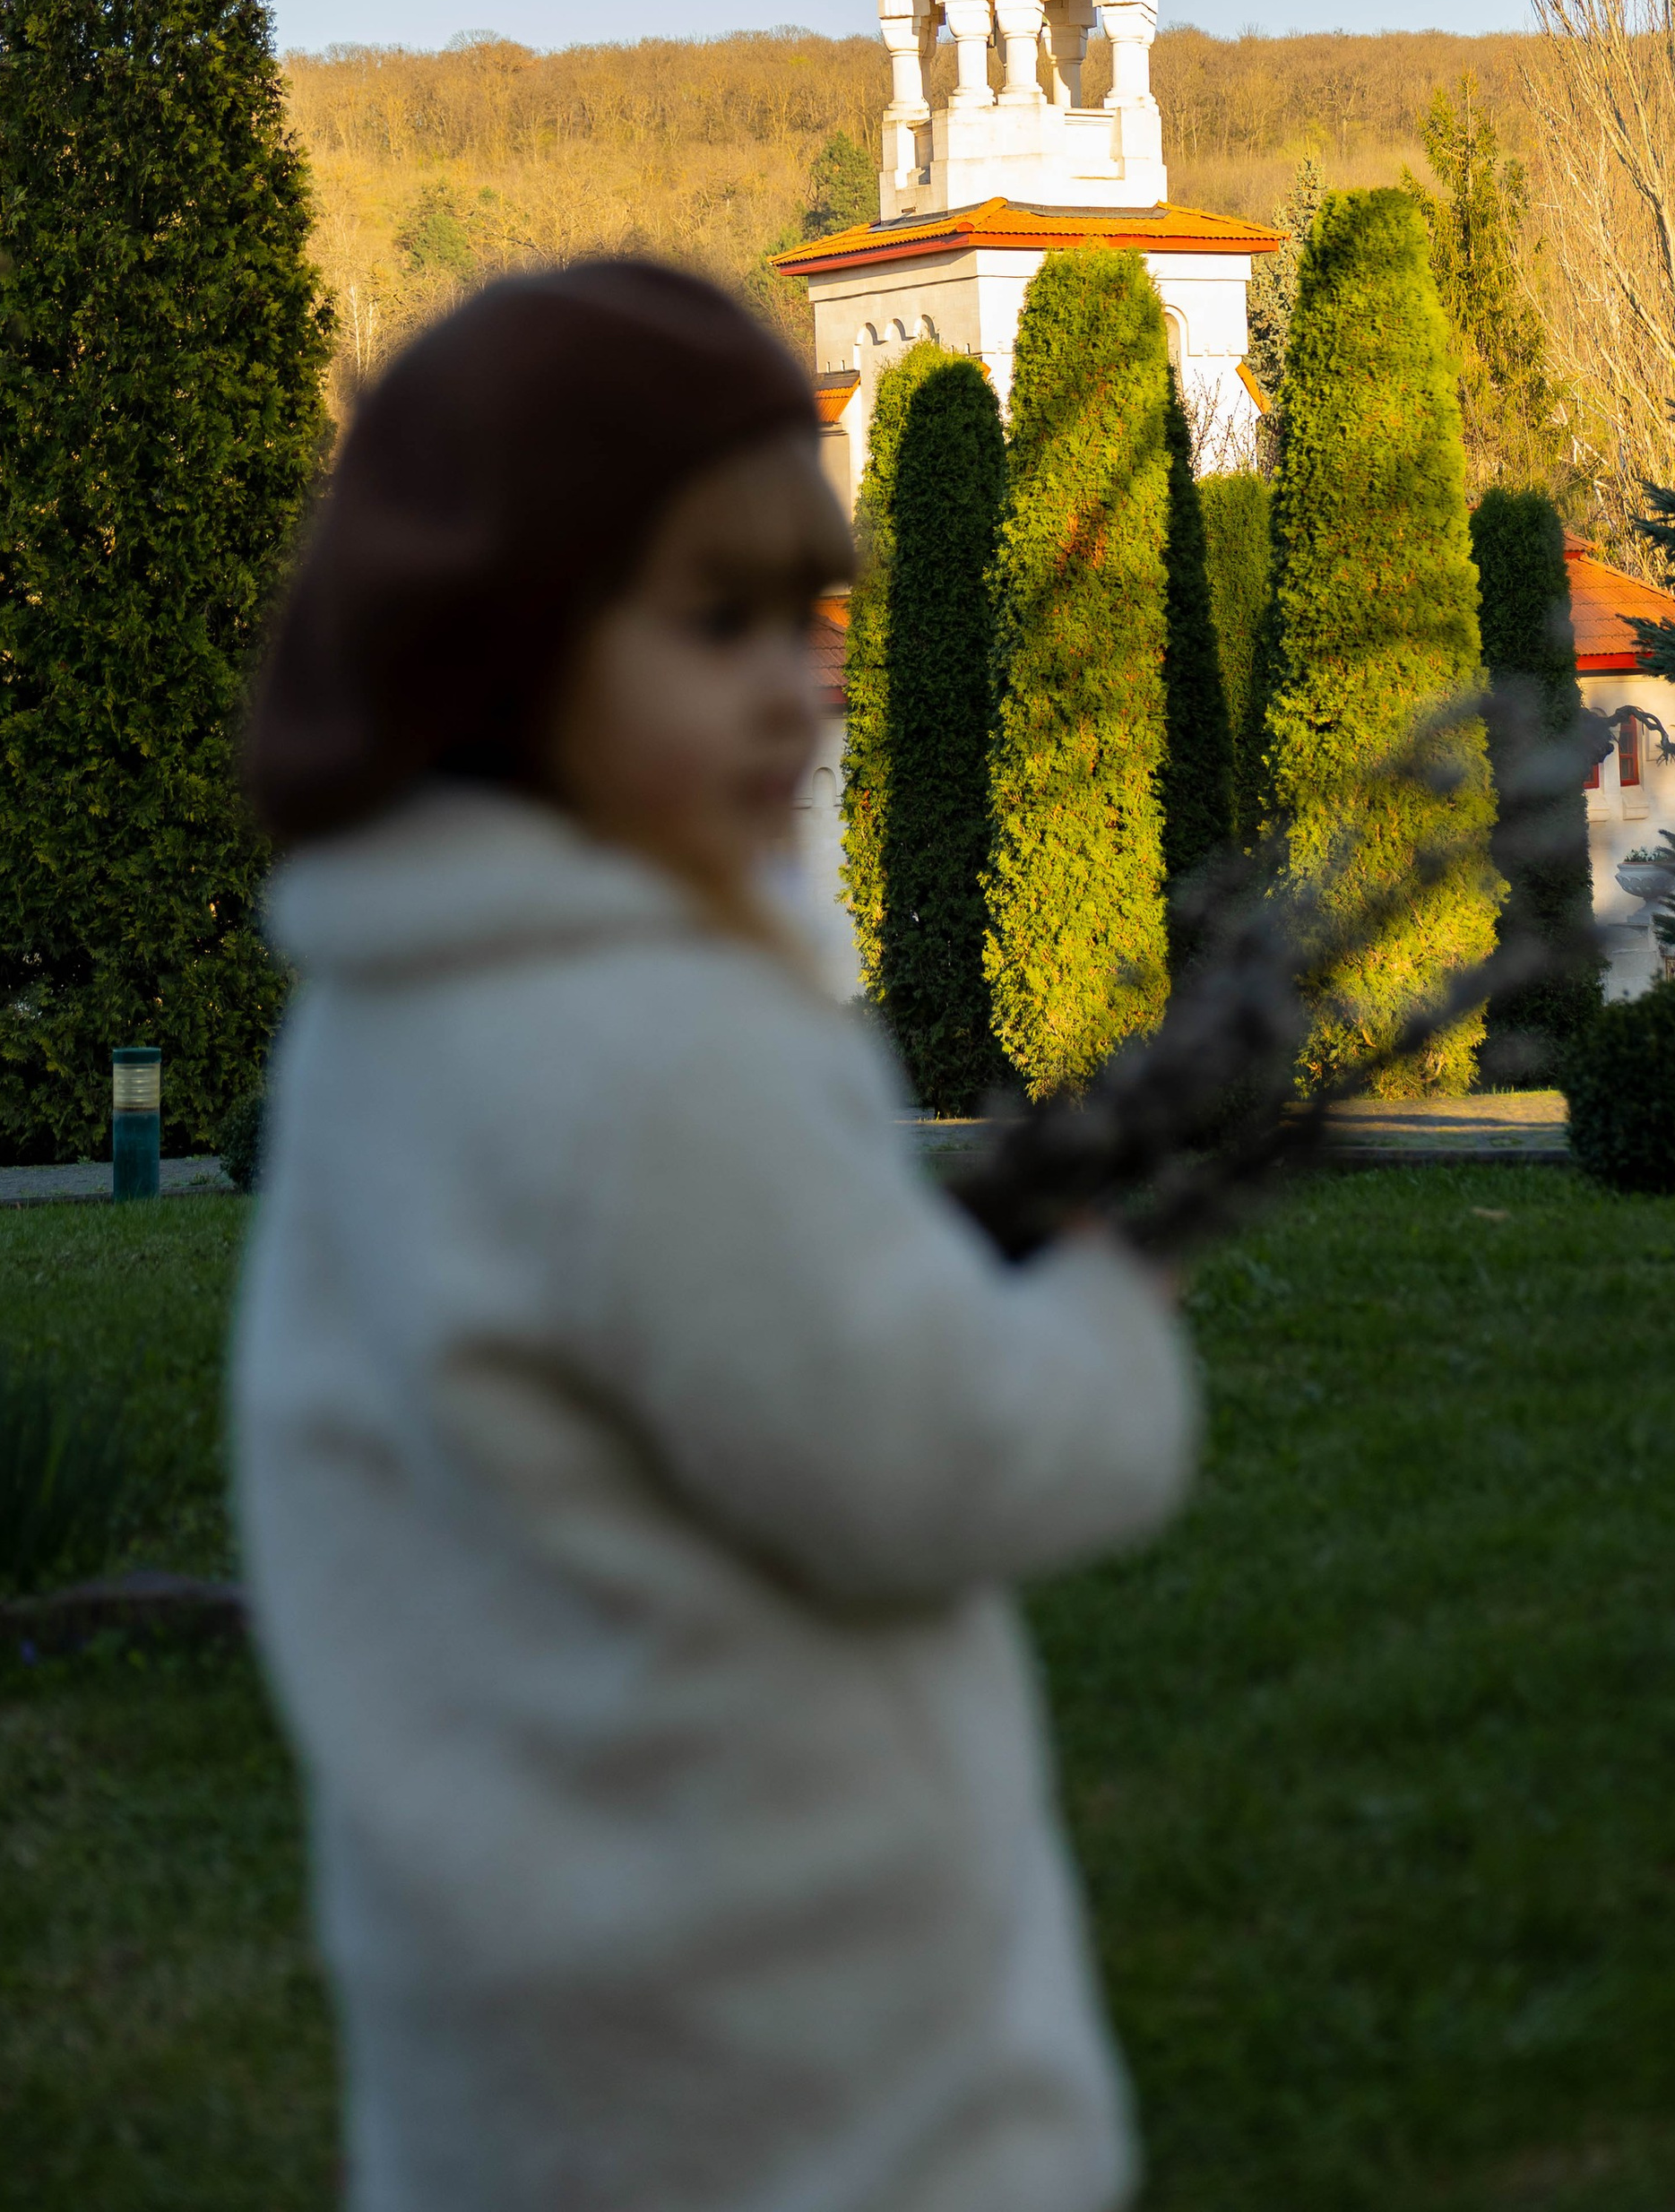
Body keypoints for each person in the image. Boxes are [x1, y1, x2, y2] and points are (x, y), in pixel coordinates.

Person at [231, 260, 1198, 2212]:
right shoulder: (656, 1048)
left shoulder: (393, 998)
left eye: (806, 614)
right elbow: (932, 1457)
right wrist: (1103, 1302)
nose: (795, 675)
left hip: (516, 2026)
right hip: (797, 2061)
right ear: (499, 639)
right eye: (714, 619)